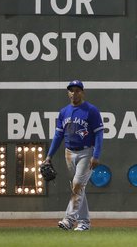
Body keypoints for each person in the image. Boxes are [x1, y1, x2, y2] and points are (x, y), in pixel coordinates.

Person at [43, 80, 104, 231]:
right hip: (69, 152)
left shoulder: (91, 110)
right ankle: (84, 223)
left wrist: (96, 155)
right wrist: (49, 156)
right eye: (71, 90)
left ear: (82, 92)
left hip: (86, 152)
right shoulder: (64, 112)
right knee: (78, 188)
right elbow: (58, 136)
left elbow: (99, 134)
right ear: (68, 93)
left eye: (77, 90)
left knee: (77, 185)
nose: (74, 93)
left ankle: (69, 220)